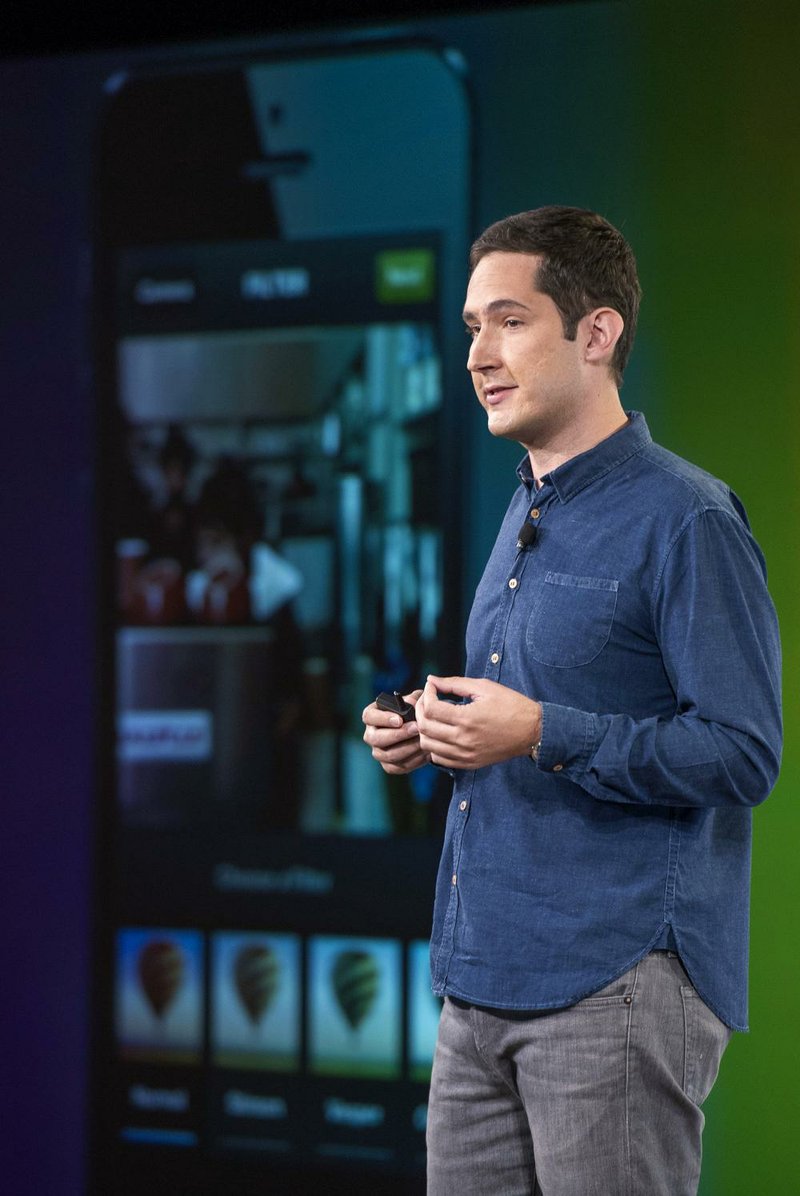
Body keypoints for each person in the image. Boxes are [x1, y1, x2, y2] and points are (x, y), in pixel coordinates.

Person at [361, 206, 782, 1196]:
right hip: (475, 984)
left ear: (595, 334)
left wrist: (541, 729)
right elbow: (527, 708)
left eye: (506, 321)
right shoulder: (521, 505)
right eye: (470, 327)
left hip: (613, 982)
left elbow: (739, 751)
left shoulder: (686, 517)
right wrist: (434, 728)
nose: (477, 354)